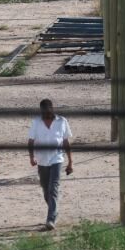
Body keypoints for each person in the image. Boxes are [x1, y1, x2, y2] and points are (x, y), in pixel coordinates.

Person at [28, 99, 73, 231]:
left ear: (52, 109)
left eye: (48, 110)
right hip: (42, 161)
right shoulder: (36, 122)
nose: (46, 114)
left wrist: (70, 161)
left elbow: (66, 142)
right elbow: (30, 141)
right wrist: (31, 157)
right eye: (43, 111)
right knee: (45, 191)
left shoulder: (62, 121)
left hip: (57, 159)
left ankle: (51, 219)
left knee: (53, 188)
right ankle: (54, 210)